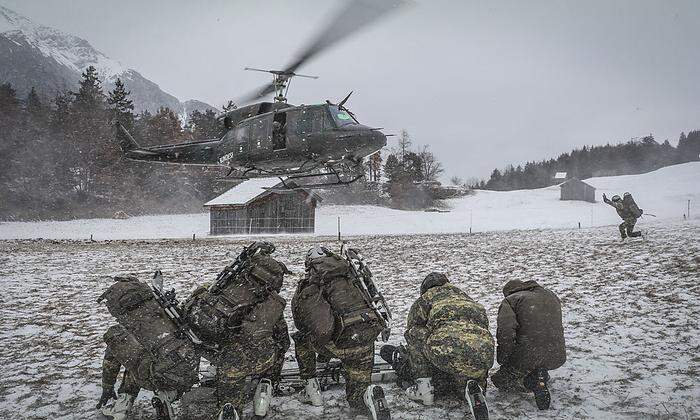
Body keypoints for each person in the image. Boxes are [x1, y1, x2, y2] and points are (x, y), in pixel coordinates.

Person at [183, 244, 291, 420]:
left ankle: (230, 407)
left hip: (221, 356)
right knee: (275, 350)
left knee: (231, 383)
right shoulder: (271, 305)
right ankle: (267, 383)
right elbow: (283, 342)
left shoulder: (220, 290)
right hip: (258, 359)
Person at [292, 246, 390, 420]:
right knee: (356, 392)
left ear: (309, 264)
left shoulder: (311, 285)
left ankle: (311, 389)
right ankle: (366, 397)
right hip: (365, 339)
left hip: (338, 343)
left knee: (301, 339)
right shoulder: (353, 277)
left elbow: (304, 323)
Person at [381, 273, 493, 419]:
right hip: (483, 356)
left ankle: (424, 389)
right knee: (463, 370)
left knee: (414, 333)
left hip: (444, 353)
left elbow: (412, 326)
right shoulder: (466, 298)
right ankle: (473, 388)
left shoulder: (427, 298)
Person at [491, 280, 566, 410]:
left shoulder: (511, 300)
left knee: (500, 380)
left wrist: (503, 360)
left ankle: (531, 382)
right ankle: (541, 373)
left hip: (528, 355)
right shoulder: (550, 295)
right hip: (556, 355)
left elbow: (506, 334)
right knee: (536, 359)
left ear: (508, 292)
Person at [97, 325, 181, 420]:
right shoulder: (170, 321)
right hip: (175, 373)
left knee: (136, 362)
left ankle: (122, 406)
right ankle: (165, 396)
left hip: (146, 375)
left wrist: (107, 386)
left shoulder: (126, 330)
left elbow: (111, 361)